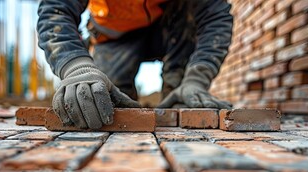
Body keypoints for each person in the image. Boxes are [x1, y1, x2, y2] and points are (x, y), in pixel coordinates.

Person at [37, 0, 233, 129]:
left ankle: (179, 95)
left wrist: (197, 79)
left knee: (181, 108)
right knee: (105, 106)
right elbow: (56, 9)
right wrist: (76, 67)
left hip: (172, 27)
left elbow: (216, 18)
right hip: (115, 34)